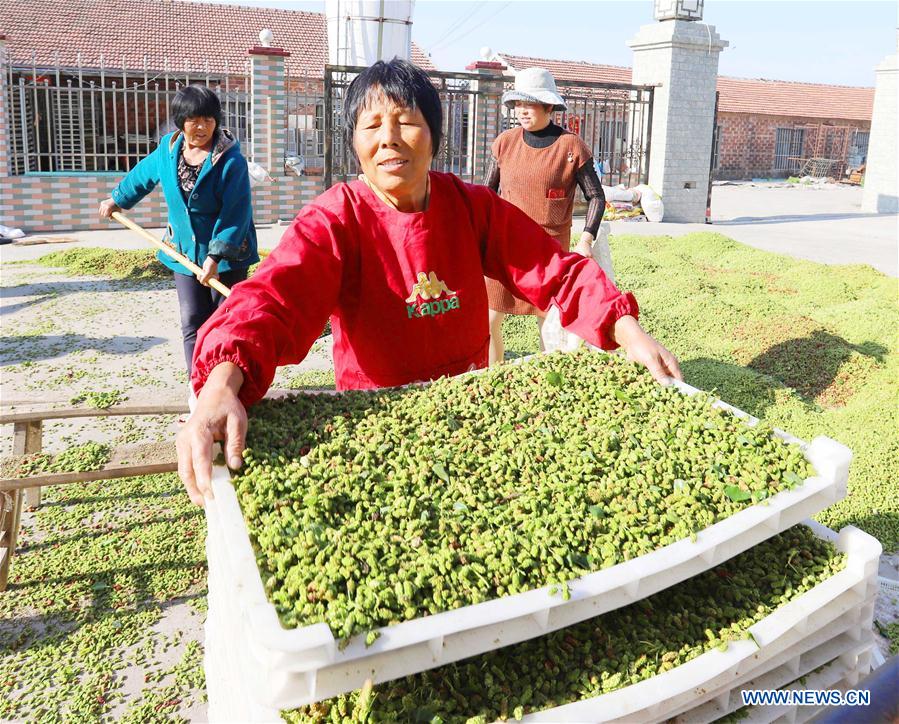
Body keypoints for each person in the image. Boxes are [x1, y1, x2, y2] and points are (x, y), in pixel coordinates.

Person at [176, 59, 681, 506]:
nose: (389, 137)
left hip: (469, 412)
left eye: (407, 122)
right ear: (354, 142)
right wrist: (221, 380)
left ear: (434, 137)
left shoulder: (470, 206)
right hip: (374, 421)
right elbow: (273, 297)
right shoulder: (335, 219)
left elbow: (553, 269)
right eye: (371, 125)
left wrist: (625, 327)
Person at [98, 85, 259, 401]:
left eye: (208, 119)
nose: (201, 127)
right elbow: (141, 177)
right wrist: (116, 199)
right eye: (194, 119)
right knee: (192, 321)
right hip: (183, 252)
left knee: (223, 321)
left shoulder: (230, 161)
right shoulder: (167, 151)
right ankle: (197, 387)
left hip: (227, 256)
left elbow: (236, 212)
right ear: (180, 121)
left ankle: (227, 388)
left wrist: (216, 255)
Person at [484, 67, 607, 364]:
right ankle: (492, 378)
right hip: (505, 249)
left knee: (548, 326)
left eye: (530, 104)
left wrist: (586, 240)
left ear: (548, 106)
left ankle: (547, 381)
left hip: (547, 252)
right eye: (518, 104)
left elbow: (596, 197)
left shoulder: (571, 147)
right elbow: (487, 194)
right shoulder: (505, 143)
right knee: (487, 322)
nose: (523, 111)